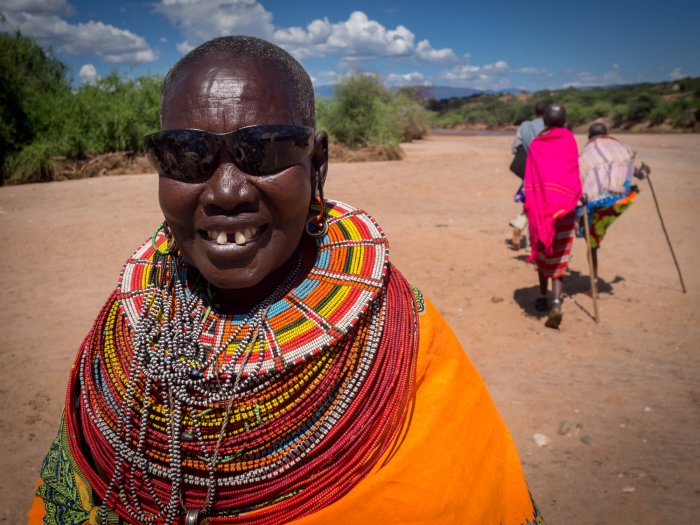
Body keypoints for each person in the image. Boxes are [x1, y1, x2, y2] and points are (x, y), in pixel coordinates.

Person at [28, 36, 544, 525]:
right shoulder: (122, 337)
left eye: (266, 150)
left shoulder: (407, 343)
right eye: (187, 154)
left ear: (316, 162)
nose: (226, 192)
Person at [524, 104, 582, 329]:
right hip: (565, 209)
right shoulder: (569, 139)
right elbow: (572, 171)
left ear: (544, 121)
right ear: (564, 119)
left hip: (541, 209)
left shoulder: (538, 143)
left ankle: (542, 295)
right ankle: (557, 301)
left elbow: (532, 177)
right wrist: (578, 194)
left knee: (541, 252)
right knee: (560, 256)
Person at [579, 122, 649, 278]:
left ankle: (594, 281)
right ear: (607, 133)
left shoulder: (586, 153)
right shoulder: (621, 148)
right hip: (621, 200)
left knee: (591, 243)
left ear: (589, 137)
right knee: (593, 234)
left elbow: (579, 178)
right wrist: (645, 171)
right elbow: (638, 174)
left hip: (597, 203)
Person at [509, 101, 548, 250]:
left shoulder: (525, 126)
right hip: (548, 174)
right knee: (543, 210)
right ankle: (535, 244)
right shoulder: (552, 128)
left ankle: (520, 223)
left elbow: (514, 148)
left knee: (531, 205)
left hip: (529, 174)